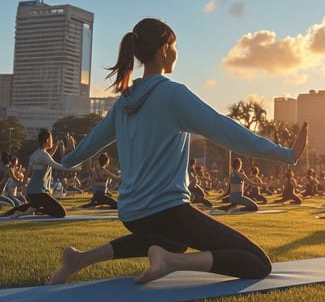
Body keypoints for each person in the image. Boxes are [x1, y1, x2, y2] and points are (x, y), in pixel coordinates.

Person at [46, 18, 308, 285]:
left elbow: (91, 142)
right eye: (174, 45)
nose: (175, 52)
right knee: (257, 263)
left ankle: (80, 259)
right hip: (166, 211)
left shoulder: (123, 102)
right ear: (164, 50)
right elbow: (223, 129)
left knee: (173, 241)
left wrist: (64, 159)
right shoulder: (172, 95)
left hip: (132, 214)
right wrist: (285, 154)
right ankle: (171, 263)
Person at [2, 129, 80, 218]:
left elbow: (27, 172)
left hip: (31, 192)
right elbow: (57, 166)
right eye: (51, 139)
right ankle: (22, 212)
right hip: (38, 192)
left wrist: (23, 187)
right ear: (47, 140)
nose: (52, 141)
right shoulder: (43, 155)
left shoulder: (35, 154)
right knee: (61, 212)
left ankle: (20, 211)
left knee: (33, 206)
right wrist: (75, 168)